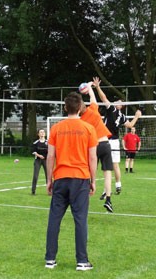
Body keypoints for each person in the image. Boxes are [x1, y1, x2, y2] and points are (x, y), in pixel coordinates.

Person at [44, 92, 98, 271]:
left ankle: (50, 259)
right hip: (80, 178)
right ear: (81, 107)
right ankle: (82, 261)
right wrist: (93, 180)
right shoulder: (89, 128)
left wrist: (49, 179)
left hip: (60, 178)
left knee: (54, 219)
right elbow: (92, 157)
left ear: (65, 108)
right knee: (80, 220)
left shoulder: (56, 128)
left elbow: (50, 156)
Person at [93, 77, 141, 194]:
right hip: (113, 140)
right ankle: (117, 185)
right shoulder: (122, 116)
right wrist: (136, 116)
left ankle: (94, 185)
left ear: (120, 106)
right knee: (114, 165)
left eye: (119, 102)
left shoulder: (112, 109)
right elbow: (130, 125)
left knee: (98, 162)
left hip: (105, 140)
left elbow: (103, 97)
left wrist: (98, 87)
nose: (117, 102)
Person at [80, 80, 114, 213]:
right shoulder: (93, 110)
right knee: (107, 174)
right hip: (105, 144)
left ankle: (83, 201)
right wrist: (90, 87)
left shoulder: (81, 120)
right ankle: (108, 200)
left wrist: (87, 87)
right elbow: (93, 98)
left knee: (87, 175)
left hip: (92, 147)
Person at [31, 129, 48, 195]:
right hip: (38, 160)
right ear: (38, 134)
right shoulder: (36, 143)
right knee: (35, 175)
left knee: (48, 176)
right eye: (41, 132)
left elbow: (50, 151)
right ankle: (33, 191)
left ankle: (49, 190)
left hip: (46, 160)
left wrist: (45, 156)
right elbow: (33, 151)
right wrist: (39, 155)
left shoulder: (48, 142)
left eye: (43, 132)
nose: (42, 133)